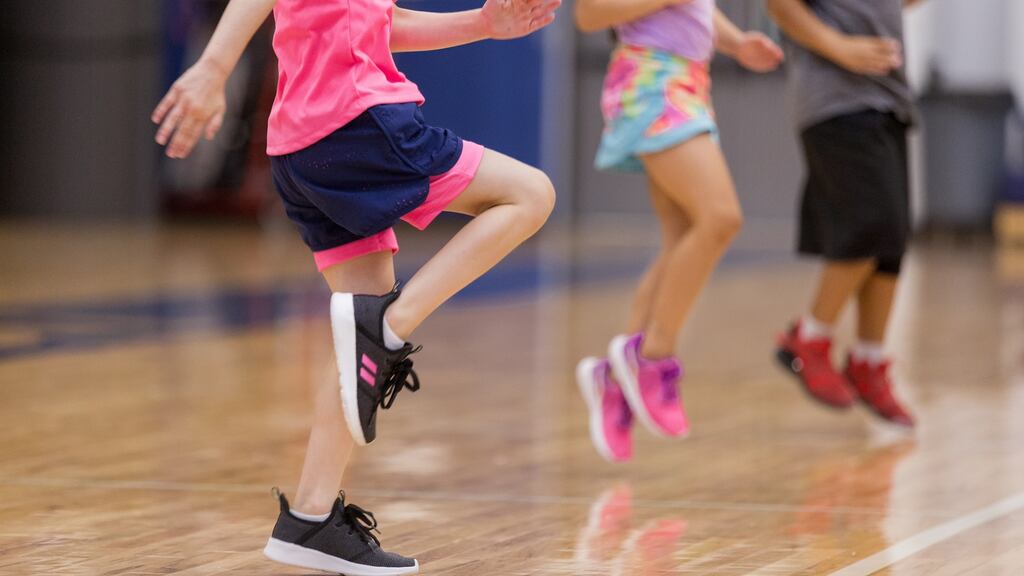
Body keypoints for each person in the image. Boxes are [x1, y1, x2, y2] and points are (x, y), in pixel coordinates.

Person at [152, 0, 560, 572]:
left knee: (357, 333)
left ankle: (312, 517)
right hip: (357, 121)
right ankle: (390, 326)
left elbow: (375, 24)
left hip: (301, 150)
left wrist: (481, 24)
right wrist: (214, 67)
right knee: (530, 194)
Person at [573, 0, 784, 461]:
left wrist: (735, 42)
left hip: (687, 82)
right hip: (652, 82)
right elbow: (588, 14)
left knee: (684, 235)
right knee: (720, 218)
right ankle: (652, 356)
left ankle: (614, 381)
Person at [767, 0, 921, 428]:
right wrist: (840, 47)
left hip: (887, 96)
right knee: (869, 226)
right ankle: (809, 340)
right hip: (837, 98)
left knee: (891, 244)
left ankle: (868, 363)